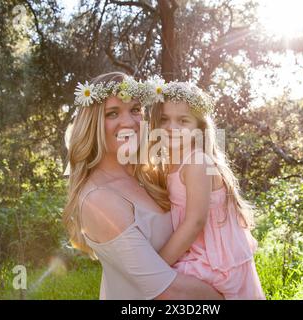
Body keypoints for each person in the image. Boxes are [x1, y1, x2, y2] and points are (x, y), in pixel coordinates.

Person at [62, 71, 224, 300]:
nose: (129, 122)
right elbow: (167, 291)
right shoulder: (99, 200)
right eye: (112, 113)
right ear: (92, 124)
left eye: (136, 110)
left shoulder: (148, 177)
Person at [143, 79, 266, 300]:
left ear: (198, 128)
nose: (172, 128)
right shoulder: (170, 163)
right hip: (195, 252)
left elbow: (195, 222)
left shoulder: (197, 162)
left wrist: (157, 265)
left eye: (183, 121)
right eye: (164, 119)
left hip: (215, 261)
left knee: (158, 288)